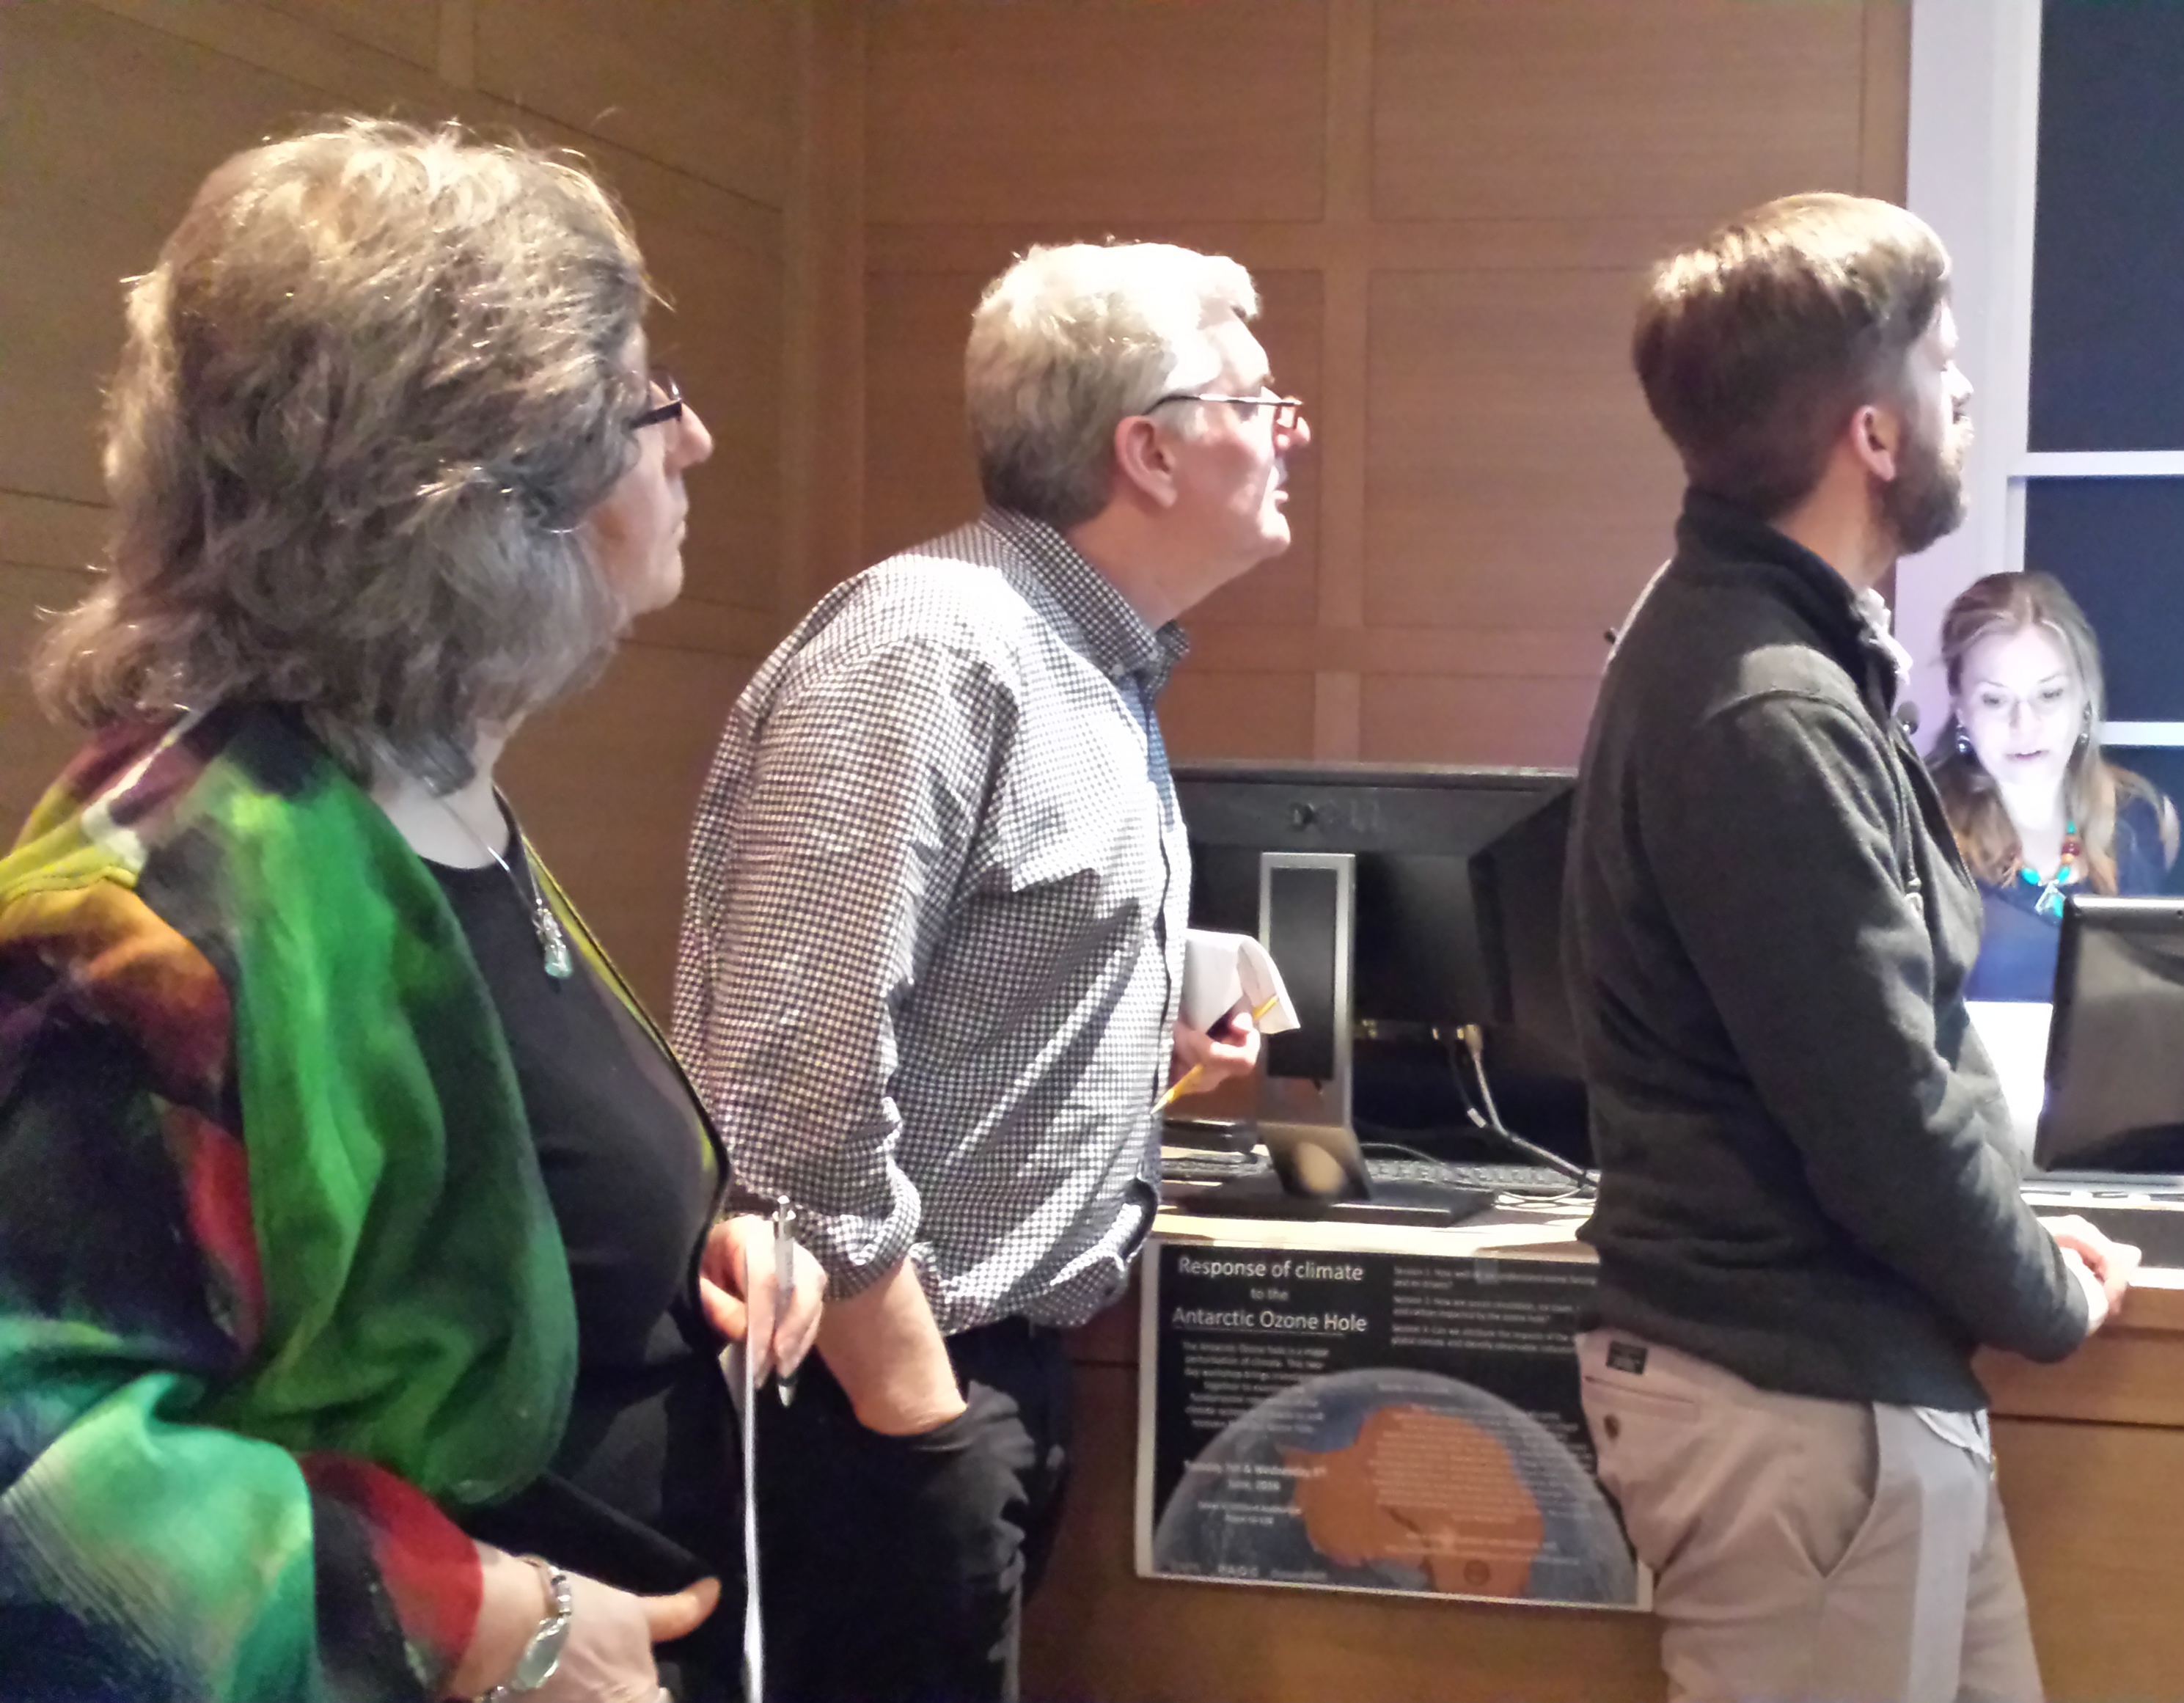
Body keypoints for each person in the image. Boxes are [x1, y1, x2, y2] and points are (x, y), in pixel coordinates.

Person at [0, 120, 823, 1703]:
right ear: (485, 496)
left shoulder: (425, 795)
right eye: (647, 401)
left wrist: (686, 1245)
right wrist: (469, 1623)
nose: (697, 439)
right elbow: (37, 1491)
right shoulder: (157, 905)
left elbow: (475, 1191)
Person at [673, 239, 1290, 1703]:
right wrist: (917, 1415)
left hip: (984, 1376)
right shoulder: (931, 650)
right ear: (1146, 448)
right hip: (875, 1396)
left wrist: (1145, 1066)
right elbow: (789, 1069)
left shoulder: (1093, 661)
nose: (1292, 427)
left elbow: (961, 992)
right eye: (1258, 396)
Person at [1564, 191, 2144, 1703]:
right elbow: (1877, 1107)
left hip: (1855, 1396)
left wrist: (2015, 1247)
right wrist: (2042, 1298)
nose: (1966, 394)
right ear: (1872, 435)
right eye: (1944, 364)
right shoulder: (1764, 704)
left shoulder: (1780, 653)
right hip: (1797, 1409)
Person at [1927, 570, 2180, 1002]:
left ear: (2084, 697)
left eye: (2049, 695)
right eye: (1995, 699)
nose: (2024, 725)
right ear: (1962, 709)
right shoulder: (1919, 835)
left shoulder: (2144, 817)